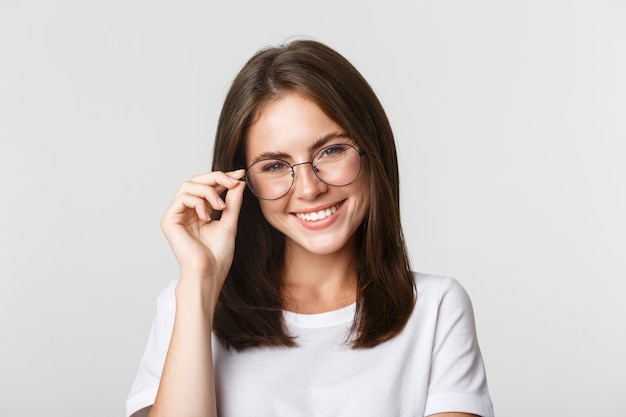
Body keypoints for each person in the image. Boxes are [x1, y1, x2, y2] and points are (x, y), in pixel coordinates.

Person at [126, 38, 494, 417]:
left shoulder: (435, 307)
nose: (309, 188)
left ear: (372, 150)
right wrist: (200, 284)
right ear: (242, 184)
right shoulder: (186, 303)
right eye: (273, 165)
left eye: (331, 150)